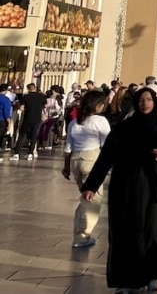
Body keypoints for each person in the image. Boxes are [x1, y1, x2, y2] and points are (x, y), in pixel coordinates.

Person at [81, 87, 157, 292]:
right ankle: (125, 279)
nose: (144, 103)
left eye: (148, 99)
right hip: (125, 187)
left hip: (153, 185)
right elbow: (106, 157)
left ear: (154, 102)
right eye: (140, 100)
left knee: (153, 231)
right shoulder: (124, 127)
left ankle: (153, 274)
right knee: (125, 232)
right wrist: (92, 185)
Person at [62, 90, 111, 248]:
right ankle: (82, 236)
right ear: (97, 105)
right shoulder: (99, 120)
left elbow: (68, 147)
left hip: (76, 160)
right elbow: (107, 145)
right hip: (92, 160)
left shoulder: (75, 122)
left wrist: (66, 167)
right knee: (92, 199)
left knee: (85, 198)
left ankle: (78, 231)